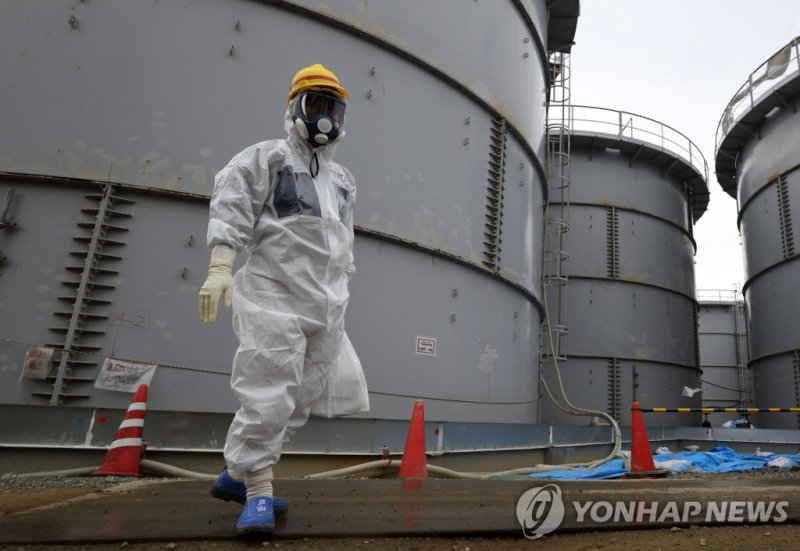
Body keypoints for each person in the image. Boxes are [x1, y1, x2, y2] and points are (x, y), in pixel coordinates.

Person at [197, 63, 357, 536]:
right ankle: (259, 492)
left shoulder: (344, 180)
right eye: (316, 105)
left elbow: (343, 237)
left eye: (333, 108)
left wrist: (345, 281)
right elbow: (231, 206)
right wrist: (221, 267)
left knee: (301, 398)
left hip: (327, 303)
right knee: (268, 392)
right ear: (295, 108)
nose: (325, 118)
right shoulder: (264, 160)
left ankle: (236, 474)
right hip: (274, 296)